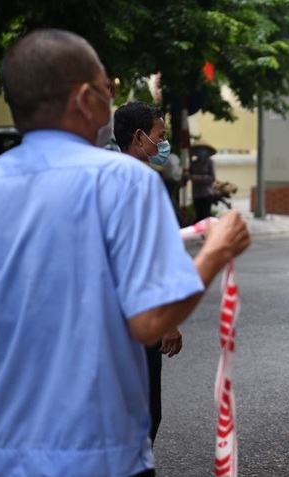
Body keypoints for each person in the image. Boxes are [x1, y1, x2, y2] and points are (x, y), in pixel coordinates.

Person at [0, 28, 250, 476]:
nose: (110, 99)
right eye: (107, 89)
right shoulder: (126, 182)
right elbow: (150, 319)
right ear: (84, 97)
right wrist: (215, 253)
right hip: (99, 458)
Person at [113, 101, 185, 443]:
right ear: (139, 136)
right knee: (144, 415)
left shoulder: (104, 177)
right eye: (160, 135)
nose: (163, 143)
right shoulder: (141, 184)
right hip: (138, 322)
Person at [189, 143, 217, 224]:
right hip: (196, 194)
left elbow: (212, 178)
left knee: (206, 216)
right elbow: (189, 174)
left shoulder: (210, 163)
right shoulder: (193, 163)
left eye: (203, 149)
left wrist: (197, 178)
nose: (201, 151)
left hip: (206, 194)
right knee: (199, 216)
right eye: (199, 149)